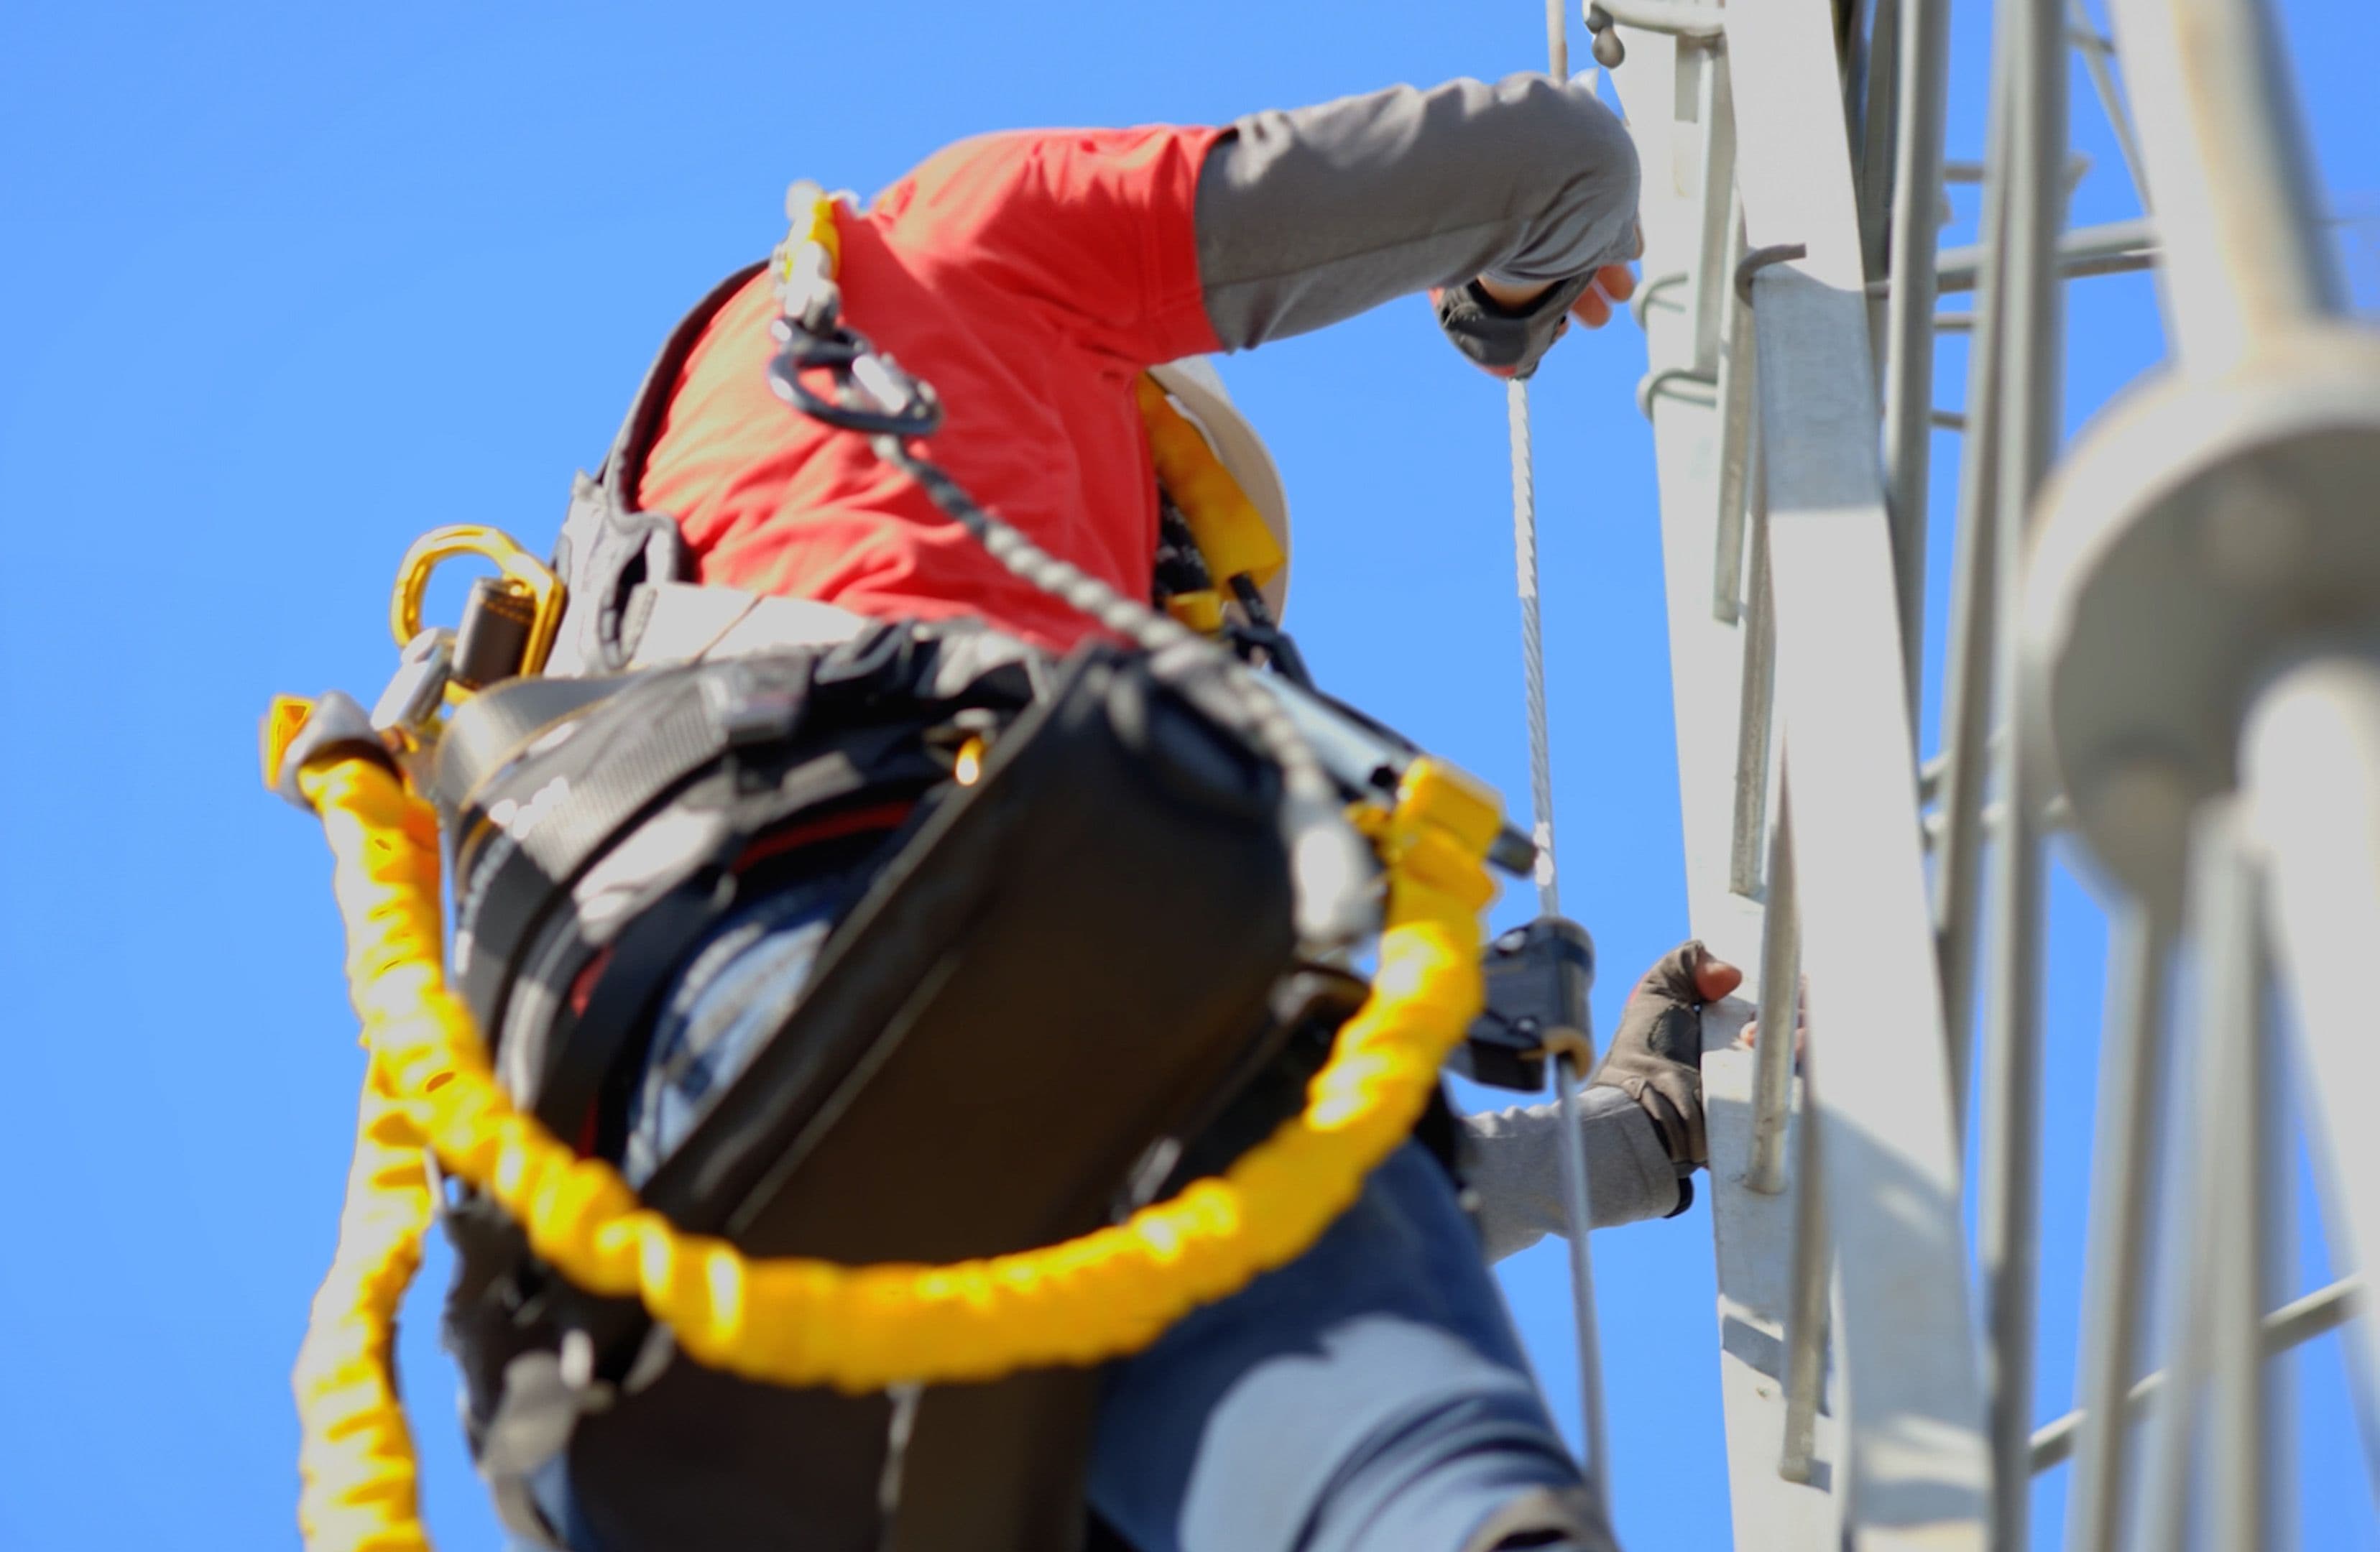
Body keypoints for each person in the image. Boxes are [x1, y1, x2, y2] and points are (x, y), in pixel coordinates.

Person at [513, 72, 1723, 1552]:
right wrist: (1512, 291)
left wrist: (1635, 1140)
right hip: (920, 917)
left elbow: (1131, 1239)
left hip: (655, 1259)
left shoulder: (681, 554)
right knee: (1425, 1500)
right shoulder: (962, 244)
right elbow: (1566, 159)